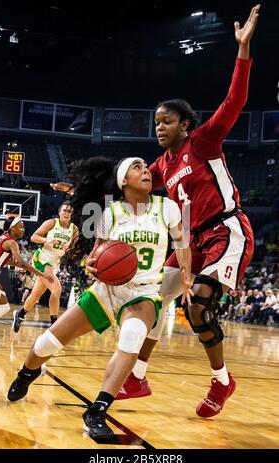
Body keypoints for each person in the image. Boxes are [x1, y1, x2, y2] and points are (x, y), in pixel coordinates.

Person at [116, 4, 259, 417]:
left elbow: (237, 98)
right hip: (189, 243)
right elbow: (135, 188)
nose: (159, 127)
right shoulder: (160, 166)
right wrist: (90, 190)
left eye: (166, 121)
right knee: (152, 297)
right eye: (156, 123)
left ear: (184, 123)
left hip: (226, 232)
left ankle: (222, 382)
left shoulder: (204, 141)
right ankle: (137, 376)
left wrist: (243, 51)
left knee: (197, 305)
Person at [7, 156, 192, 441]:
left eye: (145, 167)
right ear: (123, 181)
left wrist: (186, 276)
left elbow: (182, 242)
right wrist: (93, 264)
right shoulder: (111, 213)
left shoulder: (167, 207)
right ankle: (26, 374)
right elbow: (97, 252)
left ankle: (97, 411)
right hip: (107, 290)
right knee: (46, 343)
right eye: (137, 168)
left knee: (132, 336)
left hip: (143, 292)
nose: (146, 171)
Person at [12, 202, 79, 332]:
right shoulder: (52, 223)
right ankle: (54, 325)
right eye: (64, 210)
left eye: (69, 211)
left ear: (72, 214)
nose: (66, 213)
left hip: (54, 262)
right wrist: (47, 240)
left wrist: (69, 248)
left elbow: (74, 248)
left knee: (36, 294)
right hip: (42, 258)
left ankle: (20, 315)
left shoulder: (74, 229)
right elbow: (34, 237)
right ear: (59, 213)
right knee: (57, 289)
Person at [0, 217, 53, 321]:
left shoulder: (2, 238)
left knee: (3, 305)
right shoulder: (11, 242)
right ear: (12, 229)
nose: (23, 230)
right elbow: (23, 263)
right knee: (4, 307)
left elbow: (8, 261)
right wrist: (42, 274)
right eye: (21, 227)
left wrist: (25, 267)